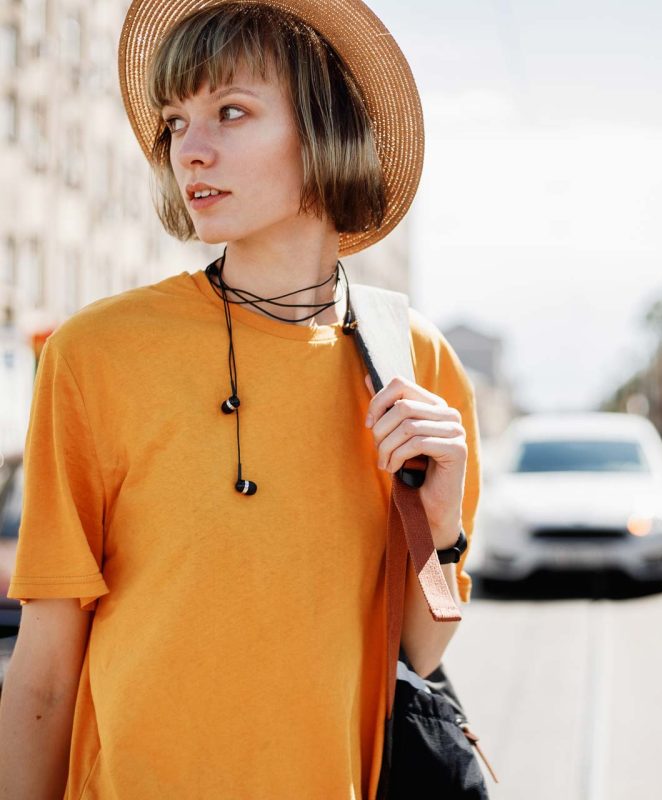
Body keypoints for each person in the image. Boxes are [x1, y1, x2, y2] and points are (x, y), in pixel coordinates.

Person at [0, 1, 481, 798]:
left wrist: (443, 525)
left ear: (325, 127)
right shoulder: (97, 354)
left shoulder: (413, 361)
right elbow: (46, 674)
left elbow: (416, 657)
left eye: (231, 111)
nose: (192, 148)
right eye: (176, 122)